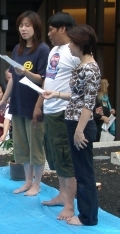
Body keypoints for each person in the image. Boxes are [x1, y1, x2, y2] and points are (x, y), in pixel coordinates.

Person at [43, 24, 100, 226]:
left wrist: (79, 130)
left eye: (73, 42)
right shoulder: (81, 66)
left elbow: (88, 102)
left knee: (84, 172)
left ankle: (88, 217)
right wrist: (56, 93)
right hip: (73, 120)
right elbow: (77, 95)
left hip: (81, 124)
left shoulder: (91, 68)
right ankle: (86, 213)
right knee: (80, 169)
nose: (69, 46)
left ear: (81, 44)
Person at [0, 11, 50, 196]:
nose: (24, 29)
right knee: (22, 146)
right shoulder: (17, 50)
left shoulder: (43, 50)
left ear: (36, 27)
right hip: (18, 104)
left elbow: (43, 80)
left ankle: (37, 184)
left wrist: (25, 72)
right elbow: (13, 78)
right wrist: (4, 100)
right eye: (21, 25)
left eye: (27, 25)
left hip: (34, 104)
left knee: (36, 146)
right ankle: (27, 182)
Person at [40, 12, 80, 220]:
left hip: (64, 110)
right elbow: (49, 78)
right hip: (50, 108)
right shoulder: (54, 50)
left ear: (63, 29)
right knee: (55, 155)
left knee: (65, 157)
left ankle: (70, 205)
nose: (48, 34)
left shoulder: (74, 51)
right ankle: (62, 194)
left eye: (51, 30)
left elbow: (80, 85)